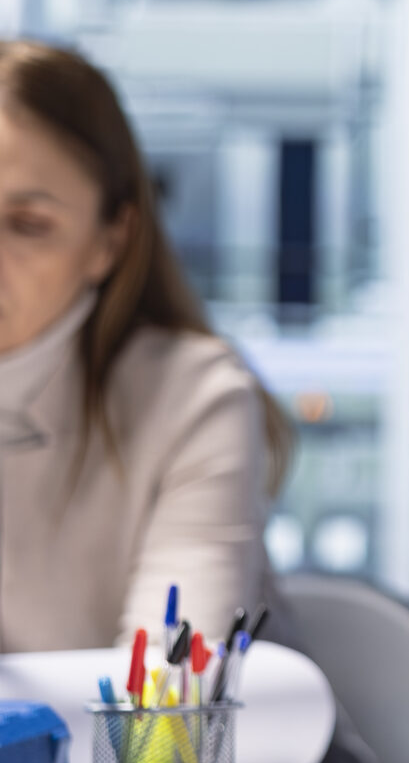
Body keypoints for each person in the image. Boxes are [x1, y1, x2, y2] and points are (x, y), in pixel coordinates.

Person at [0, 41, 290, 653]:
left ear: (111, 239)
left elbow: (165, 724)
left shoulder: (195, 399)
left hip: (211, 753)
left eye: (28, 225)